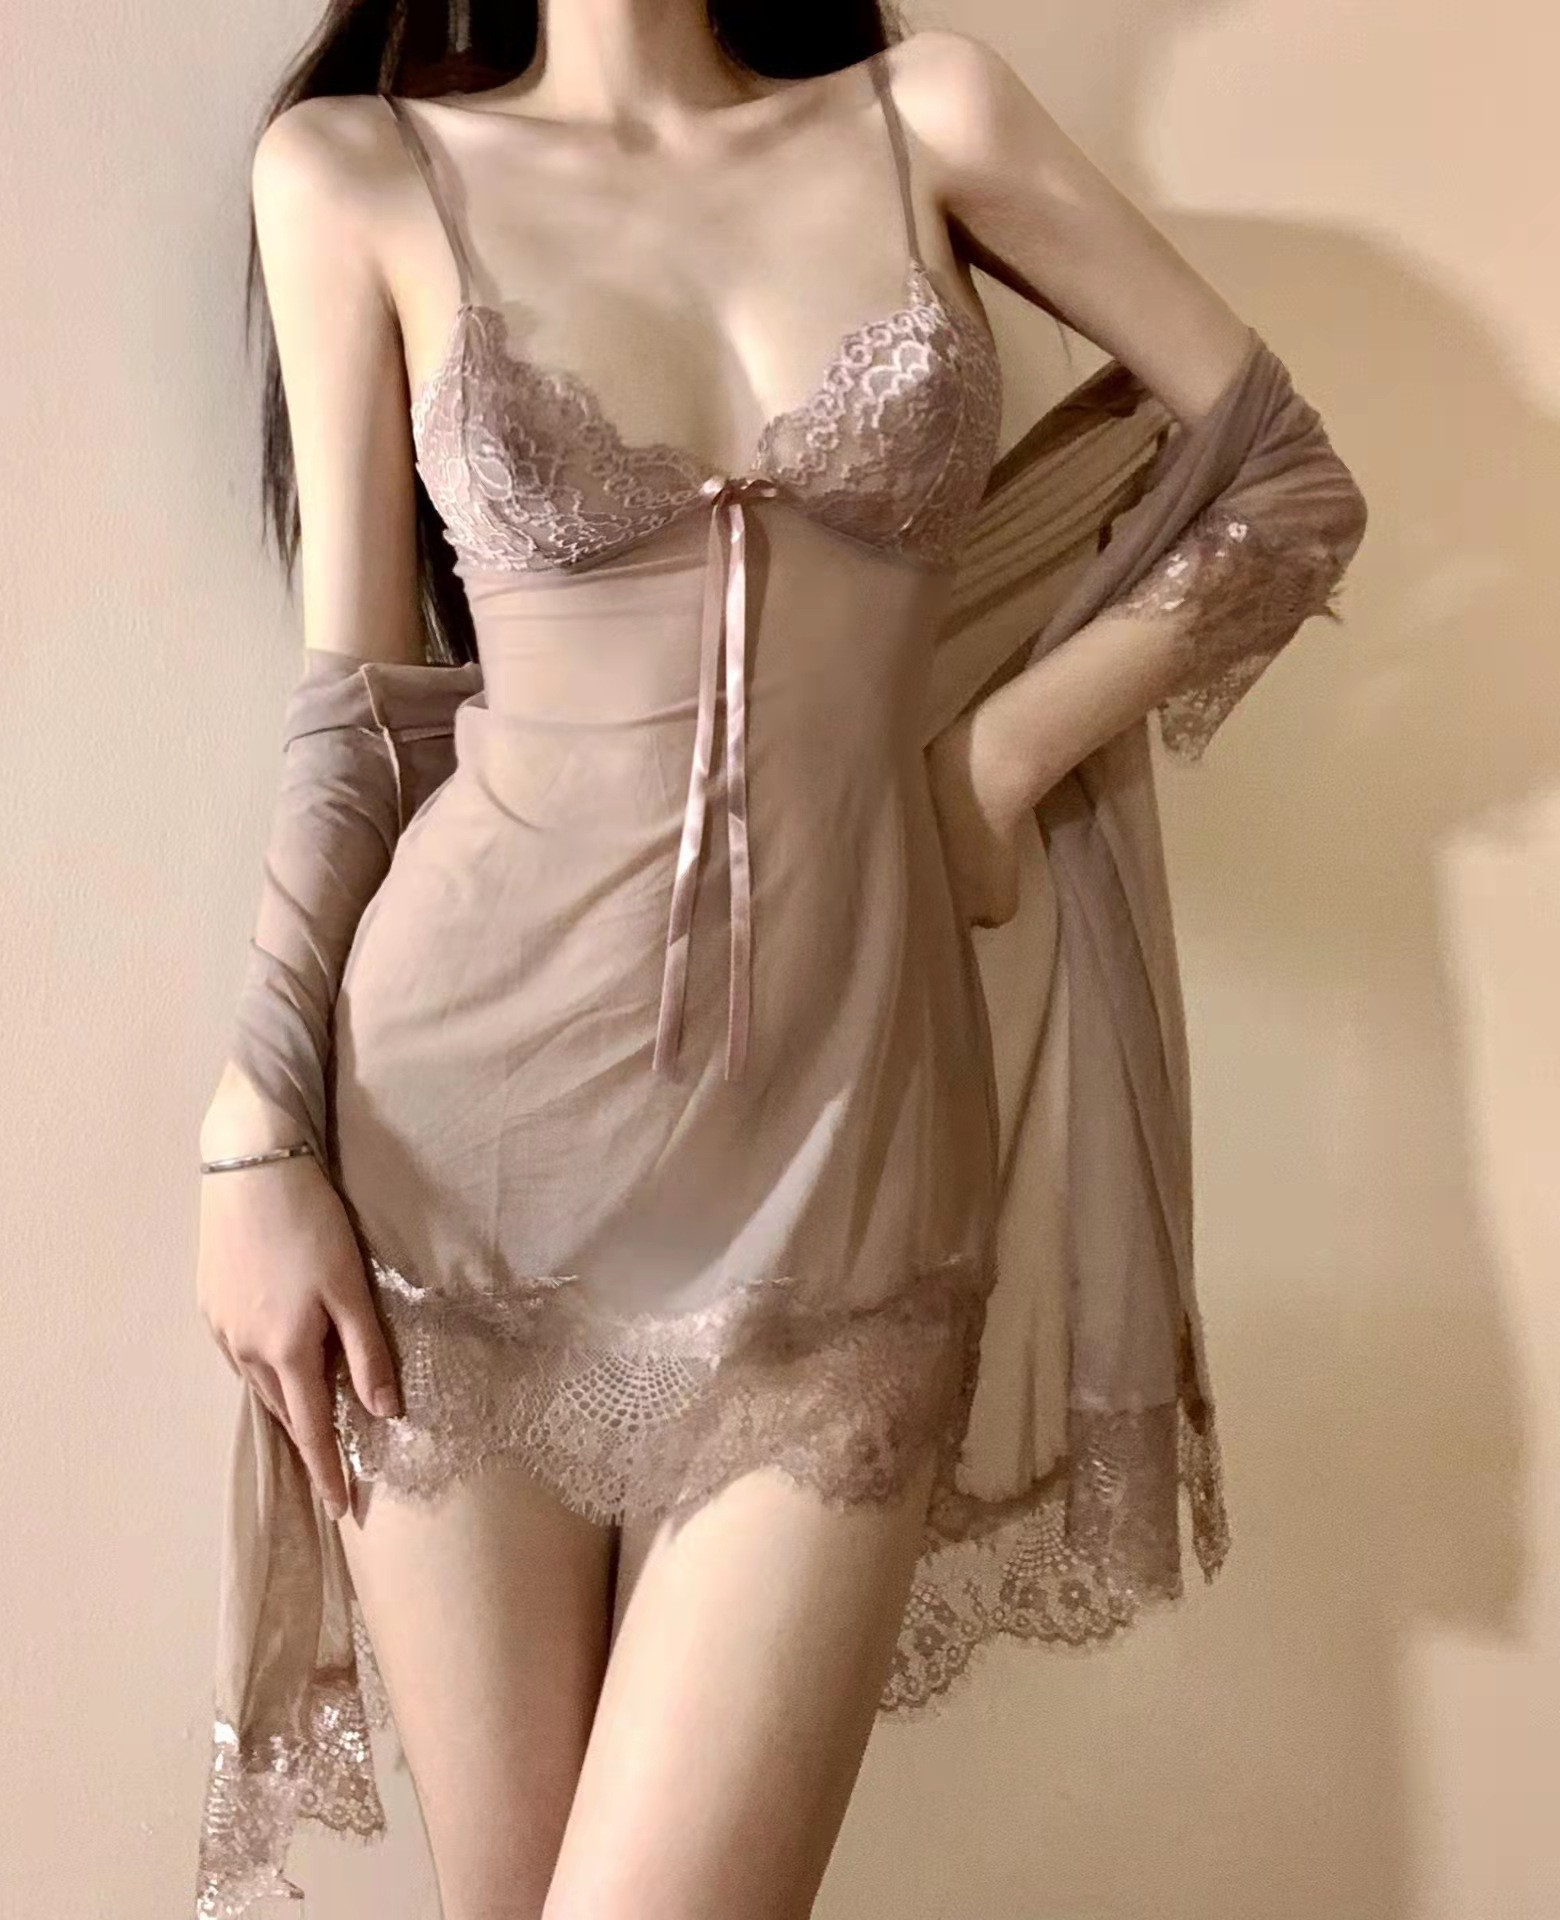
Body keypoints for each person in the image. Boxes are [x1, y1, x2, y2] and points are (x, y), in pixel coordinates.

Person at [192, 11, 1370, 1919]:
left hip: (844, 1161)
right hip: (450, 1162)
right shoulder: (353, 173)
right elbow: (363, 716)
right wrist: (254, 1132)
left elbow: (1288, 481)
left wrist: (993, 762)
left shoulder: (931, 119)